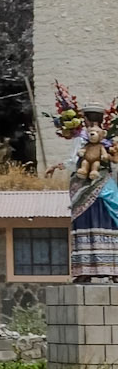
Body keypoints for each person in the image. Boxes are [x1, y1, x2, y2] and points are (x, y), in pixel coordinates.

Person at [53, 84, 118, 281]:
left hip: (85, 185)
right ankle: (113, 270)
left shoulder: (81, 138)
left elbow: (74, 161)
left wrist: (59, 166)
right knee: (109, 222)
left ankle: (85, 271)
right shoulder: (108, 139)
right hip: (106, 185)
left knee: (85, 223)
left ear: (86, 119)